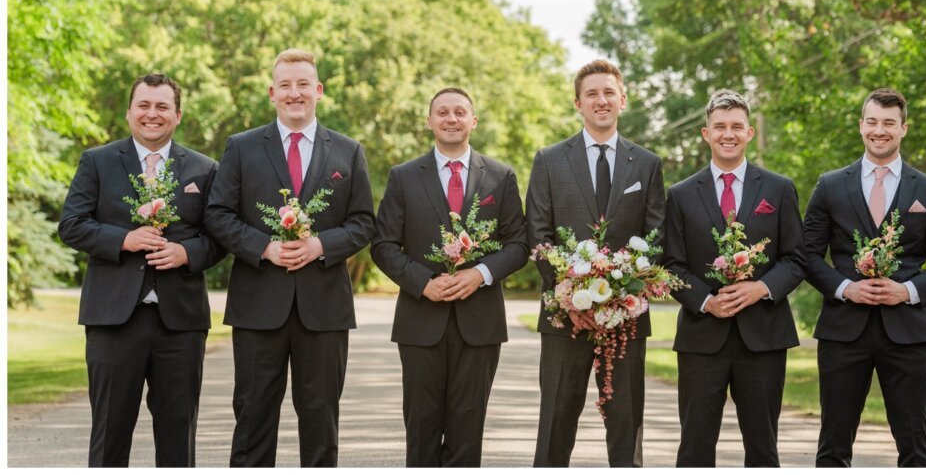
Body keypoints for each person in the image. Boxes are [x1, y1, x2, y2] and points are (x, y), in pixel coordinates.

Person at [204, 48, 375, 467]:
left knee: (321, 421)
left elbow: (364, 222)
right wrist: (263, 247)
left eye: (303, 84)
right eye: (285, 85)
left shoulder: (348, 151)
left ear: (318, 90)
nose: (294, 93)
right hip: (258, 306)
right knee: (252, 416)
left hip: (324, 309)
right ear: (272, 92)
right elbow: (217, 213)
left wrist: (322, 245)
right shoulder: (242, 148)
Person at [59, 73, 222, 467]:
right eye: (144, 105)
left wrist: (187, 254)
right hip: (113, 321)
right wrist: (123, 240)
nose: (153, 114)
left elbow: (220, 237)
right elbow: (72, 224)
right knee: (109, 438)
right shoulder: (97, 161)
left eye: (162, 106)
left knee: (178, 439)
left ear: (178, 115)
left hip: (180, 323)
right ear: (130, 112)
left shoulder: (204, 169)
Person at [804, 87, 926, 467]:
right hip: (843, 333)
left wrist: (907, 290)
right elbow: (805, 255)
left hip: (908, 334)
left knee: (915, 446)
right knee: (833, 445)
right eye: (873, 121)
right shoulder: (829, 185)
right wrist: (845, 287)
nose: (880, 130)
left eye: (889, 123)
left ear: (903, 129)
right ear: (861, 126)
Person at [371, 87, 529, 466]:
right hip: (420, 323)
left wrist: (481, 273)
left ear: (473, 121)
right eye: (442, 112)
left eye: (460, 112)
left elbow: (520, 244)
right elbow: (383, 245)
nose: (451, 118)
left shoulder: (501, 176)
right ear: (429, 122)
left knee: (467, 432)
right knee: (422, 430)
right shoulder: (403, 176)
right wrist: (423, 282)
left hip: (480, 325)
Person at [527, 59, 665, 467]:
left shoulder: (646, 163)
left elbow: (656, 237)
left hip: (627, 318)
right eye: (591, 94)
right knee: (556, 420)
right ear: (578, 103)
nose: (601, 100)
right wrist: (571, 296)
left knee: (626, 425)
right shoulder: (549, 159)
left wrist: (620, 297)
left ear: (623, 99)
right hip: (563, 318)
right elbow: (538, 234)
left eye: (608, 92)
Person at [660, 89, 806, 466]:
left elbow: (796, 258)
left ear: (749, 133)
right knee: (694, 447)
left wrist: (761, 288)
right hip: (701, 337)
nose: (729, 134)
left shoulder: (778, 189)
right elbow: (671, 264)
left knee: (762, 447)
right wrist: (706, 301)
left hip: (764, 337)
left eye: (737, 127)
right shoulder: (679, 194)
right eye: (720, 127)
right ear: (706, 134)